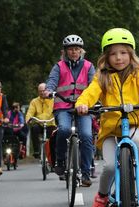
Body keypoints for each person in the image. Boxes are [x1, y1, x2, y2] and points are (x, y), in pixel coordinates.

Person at [74, 28, 139, 207]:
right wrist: (82, 103)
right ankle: (102, 196)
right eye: (113, 54)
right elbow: (90, 92)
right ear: (106, 57)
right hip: (110, 130)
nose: (119, 58)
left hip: (134, 124)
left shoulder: (137, 74)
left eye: (123, 53)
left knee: (135, 141)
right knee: (109, 166)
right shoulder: (102, 76)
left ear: (131, 55)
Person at [44, 34, 96, 186]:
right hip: (63, 107)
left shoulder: (88, 66)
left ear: (81, 51)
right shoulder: (58, 66)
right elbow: (52, 81)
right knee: (64, 129)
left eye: (77, 49)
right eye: (71, 49)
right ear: (65, 51)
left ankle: (86, 173)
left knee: (86, 135)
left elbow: (93, 85)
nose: (74, 52)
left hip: (83, 107)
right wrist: (49, 90)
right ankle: (60, 160)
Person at [25, 83, 56, 162]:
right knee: (34, 129)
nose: (42, 92)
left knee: (53, 138)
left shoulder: (52, 100)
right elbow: (30, 112)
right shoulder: (34, 101)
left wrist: (37, 118)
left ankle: (53, 157)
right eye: (40, 91)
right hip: (39, 123)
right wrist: (28, 118)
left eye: (43, 90)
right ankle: (37, 151)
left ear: (47, 90)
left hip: (50, 123)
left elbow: (52, 112)